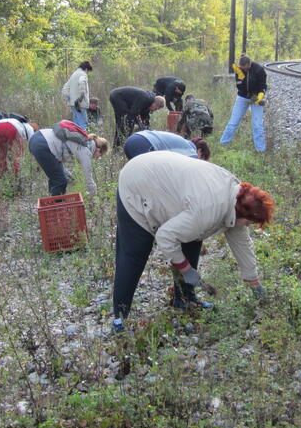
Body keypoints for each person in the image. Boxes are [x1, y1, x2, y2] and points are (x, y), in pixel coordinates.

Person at [111, 151, 274, 332]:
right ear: (242, 212)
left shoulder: (235, 195)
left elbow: (242, 242)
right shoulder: (210, 208)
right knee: (134, 253)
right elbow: (165, 237)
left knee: (194, 235)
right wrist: (187, 270)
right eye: (249, 222)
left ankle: (184, 299)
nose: (248, 226)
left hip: (167, 185)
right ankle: (119, 318)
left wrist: (253, 280)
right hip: (138, 182)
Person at [28, 123, 109, 197]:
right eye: (100, 156)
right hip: (43, 145)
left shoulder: (85, 140)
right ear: (99, 149)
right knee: (60, 181)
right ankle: (57, 208)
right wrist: (94, 196)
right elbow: (88, 178)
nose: (97, 158)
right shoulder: (86, 151)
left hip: (37, 137)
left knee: (56, 177)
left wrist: (71, 179)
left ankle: (51, 202)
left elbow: (60, 163)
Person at [219, 55, 267, 152]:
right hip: (242, 97)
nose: (243, 70)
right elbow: (240, 87)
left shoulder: (259, 70)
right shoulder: (239, 70)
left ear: (249, 64)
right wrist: (241, 77)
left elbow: (263, 86)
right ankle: (223, 144)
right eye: (242, 68)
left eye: (245, 68)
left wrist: (260, 97)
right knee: (233, 122)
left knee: (257, 125)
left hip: (256, 97)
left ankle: (260, 150)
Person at [123, 130, 211, 161]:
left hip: (134, 138)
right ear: (200, 151)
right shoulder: (190, 151)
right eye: (202, 158)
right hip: (145, 143)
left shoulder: (183, 143)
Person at [61, 60, 93, 129]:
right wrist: (81, 97)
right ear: (86, 69)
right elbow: (82, 82)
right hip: (80, 104)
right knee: (83, 125)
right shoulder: (83, 74)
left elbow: (65, 88)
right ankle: (83, 139)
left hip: (73, 104)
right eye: (88, 71)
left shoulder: (74, 74)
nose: (87, 73)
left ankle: (76, 139)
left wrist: (68, 99)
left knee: (76, 126)